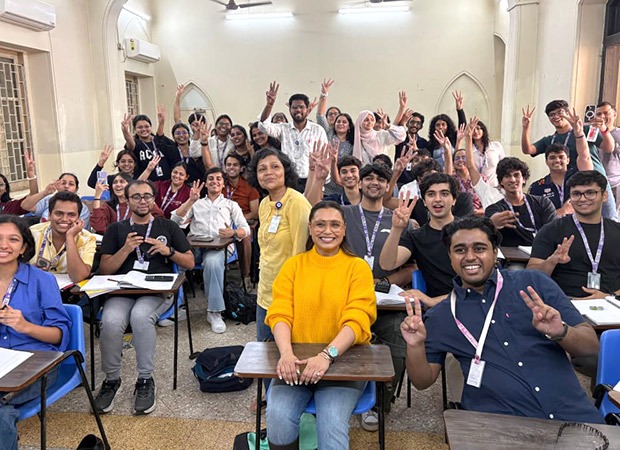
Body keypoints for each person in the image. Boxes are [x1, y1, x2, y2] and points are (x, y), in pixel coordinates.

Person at [400, 216, 602, 423]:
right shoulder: (442, 316)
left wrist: (562, 332)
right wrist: (414, 346)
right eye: (460, 250)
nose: (470, 257)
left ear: (495, 252)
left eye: (479, 248)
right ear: (450, 257)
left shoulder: (534, 284)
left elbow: (590, 347)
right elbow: (422, 381)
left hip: (572, 416)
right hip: (500, 426)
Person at [265, 201, 376, 450]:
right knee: (278, 415)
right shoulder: (293, 265)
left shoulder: (358, 268)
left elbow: (357, 318)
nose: (328, 231)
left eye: (335, 224)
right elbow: (280, 313)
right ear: (310, 228)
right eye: (320, 224)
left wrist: (326, 355)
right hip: (296, 363)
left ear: (344, 229)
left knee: (331, 422)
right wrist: (286, 354)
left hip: (343, 365)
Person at [94, 180, 194, 415]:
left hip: (156, 292)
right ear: (127, 200)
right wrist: (126, 249)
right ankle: (111, 380)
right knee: (110, 320)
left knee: (140, 317)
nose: (142, 201)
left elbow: (189, 262)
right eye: (136, 196)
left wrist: (169, 251)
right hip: (123, 290)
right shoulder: (116, 229)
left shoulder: (167, 226)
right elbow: (105, 269)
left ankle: (145, 379)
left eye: (147, 196)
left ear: (153, 199)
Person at [341, 163, 412, 431]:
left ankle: (379, 404)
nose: (374, 182)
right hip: (346, 297)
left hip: (386, 301)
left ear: (387, 186)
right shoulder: (344, 214)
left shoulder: (401, 219)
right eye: (368, 178)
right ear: (359, 183)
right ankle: (339, 393)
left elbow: (412, 268)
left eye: (380, 179)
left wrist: (383, 282)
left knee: (398, 342)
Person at [0, 215, 71, 450]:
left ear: (24, 248)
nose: (4, 245)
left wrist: (24, 326)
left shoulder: (42, 280)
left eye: (13, 239)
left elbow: (60, 336)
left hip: (35, 363)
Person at [170, 168, 250, 333]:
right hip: (195, 247)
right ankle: (174, 308)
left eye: (218, 179)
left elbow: (246, 229)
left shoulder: (230, 204)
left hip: (219, 247)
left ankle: (214, 312)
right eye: (211, 179)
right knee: (175, 259)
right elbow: (175, 221)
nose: (215, 181)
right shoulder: (196, 203)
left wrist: (233, 232)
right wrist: (190, 200)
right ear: (205, 184)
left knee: (212, 263)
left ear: (223, 184)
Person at [246, 149, 311, 345]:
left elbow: (301, 253)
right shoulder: (264, 204)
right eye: (262, 169)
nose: (268, 172)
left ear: (285, 171)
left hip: (289, 295)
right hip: (265, 291)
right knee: (264, 353)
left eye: (275, 167)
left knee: (288, 355)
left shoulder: (297, 202)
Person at [528, 170, 620, 299]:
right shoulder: (552, 229)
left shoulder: (617, 231)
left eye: (590, 193)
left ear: (604, 196)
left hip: (611, 304)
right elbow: (530, 276)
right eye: (576, 194)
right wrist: (552, 261)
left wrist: (610, 296)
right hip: (564, 302)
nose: (583, 199)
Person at [521, 99, 618, 220]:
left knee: (610, 219)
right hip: (574, 184)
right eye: (552, 114)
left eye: (560, 112)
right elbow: (528, 150)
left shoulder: (585, 129)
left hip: (596, 178)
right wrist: (526, 128)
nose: (556, 116)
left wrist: (604, 130)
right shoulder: (550, 140)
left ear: (567, 112)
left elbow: (609, 147)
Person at [380, 172, 458, 307]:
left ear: (454, 199)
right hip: (437, 310)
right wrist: (396, 228)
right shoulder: (416, 237)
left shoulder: (470, 231)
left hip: (471, 302)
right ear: (424, 202)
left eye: (444, 194)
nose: (437, 199)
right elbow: (387, 264)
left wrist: (432, 301)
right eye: (431, 194)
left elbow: (480, 285)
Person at [258, 81, 328, 191]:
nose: (298, 110)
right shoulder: (283, 128)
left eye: (301, 107)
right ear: (290, 110)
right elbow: (263, 127)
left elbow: (325, 156)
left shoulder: (317, 130)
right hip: (289, 181)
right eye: (294, 107)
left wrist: (321, 181)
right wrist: (269, 105)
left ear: (307, 109)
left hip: (312, 180)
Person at [485, 157, 556, 247]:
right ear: (501, 182)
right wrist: (493, 223)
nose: (512, 179)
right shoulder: (495, 209)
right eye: (507, 176)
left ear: (524, 179)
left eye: (516, 175)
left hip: (541, 252)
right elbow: (489, 224)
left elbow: (552, 230)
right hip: (510, 255)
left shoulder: (543, 203)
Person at [29, 191, 96, 283]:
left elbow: (78, 277)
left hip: (68, 291)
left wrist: (70, 237)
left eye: (71, 215)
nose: (64, 219)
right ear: (49, 215)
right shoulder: (32, 232)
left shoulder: (87, 239)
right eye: (59, 213)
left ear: (78, 218)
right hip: (35, 284)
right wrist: (29, 270)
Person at [223, 153, 259, 290]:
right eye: (229, 165)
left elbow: (255, 213)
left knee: (244, 238)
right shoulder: (220, 184)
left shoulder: (249, 187)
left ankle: (246, 276)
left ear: (241, 168)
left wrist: (237, 219)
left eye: (235, 165)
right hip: (222, 223)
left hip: (242, 222)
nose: (231, 167)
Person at [90, 173, 164, 234]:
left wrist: (147, 197)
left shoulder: (139, 204)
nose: (118, 185)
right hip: (114, 241)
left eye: (122, 182)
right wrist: (97, 196)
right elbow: (98, 226)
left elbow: (159, 217)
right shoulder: (109, 206)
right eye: (115, 182)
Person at [352, 92, 408, 165]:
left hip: (382, 170)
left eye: (372, 120)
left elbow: (401, 136)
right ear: (360, 122)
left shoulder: (381, 135)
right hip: (364, 171)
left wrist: (388, 126)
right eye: (366, 120)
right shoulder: (355, 137)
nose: (369, 122)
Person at [20, 173, 91, 230]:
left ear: (76, 189)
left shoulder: (82, 208)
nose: (66, 186)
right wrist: (45, 193)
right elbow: (25, 206)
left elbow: (78, 231)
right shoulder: (49, 200)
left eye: (71, 184)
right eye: (63, 183)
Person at [154, 106, 206, 183]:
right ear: (173, 137)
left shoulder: (196, 149)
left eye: (184, 132)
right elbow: (158, 141)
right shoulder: (171, 150)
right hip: (178, 185)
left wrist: (197, 132)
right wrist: (161, 123)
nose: (181, 135)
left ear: (189, 135)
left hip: (198, 185)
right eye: (178, 133)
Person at [121, 113, 175, 182]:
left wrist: (161, 123)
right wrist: (125, 131)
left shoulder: (160, 140)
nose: (144, 129)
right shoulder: (136, 144)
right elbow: (130, 142)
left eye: (146, 126)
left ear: (151, 127)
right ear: (135, 129)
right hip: (146, 184)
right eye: (140, 127)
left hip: (166, 183)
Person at [596, 101, 620, 212]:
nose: (602, 117)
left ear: (614, 114)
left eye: (606, 113)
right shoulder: (592, 133)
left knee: (612, 218)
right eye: (599, 114)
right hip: (594, 183)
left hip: (615, 184)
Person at [394, 113, 429, 187]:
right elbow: (394, 130)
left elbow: (426, 159)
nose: (415, 125)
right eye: (412, 122)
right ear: (407, 124)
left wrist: (416, 149)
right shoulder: (400, 138)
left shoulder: (424, 142)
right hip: (399, 179)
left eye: (418, 123)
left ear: (421, 127)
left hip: (416, 181)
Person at [0, 150, 38, 215]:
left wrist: (31, 173)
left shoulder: (8, 207)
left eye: (0, 184)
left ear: (5, 189)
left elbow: (32, 196)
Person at [469, 119, 505, 187]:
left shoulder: (495, 146)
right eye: (473, 129)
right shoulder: (469, 151)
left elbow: (504, 166)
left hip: (495, 186)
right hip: (478, 187)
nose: (475, 131)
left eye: (478, 128)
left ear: (483, 130)